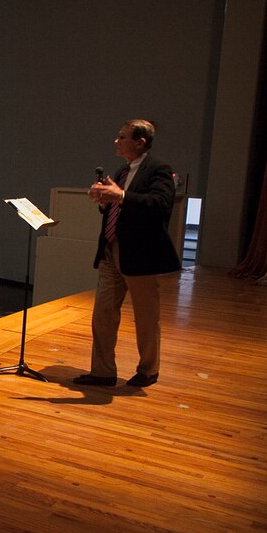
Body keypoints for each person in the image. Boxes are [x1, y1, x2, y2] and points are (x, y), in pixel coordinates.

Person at [75, 119, 180, 388]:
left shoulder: (158, 169)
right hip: (111, 249)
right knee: (103, 314)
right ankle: (103, 372)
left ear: (140, 142)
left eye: (122, 137)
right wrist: (104, 200)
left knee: (146, 317)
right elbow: (118, 206)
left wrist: (120, 196)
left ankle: (148, 370)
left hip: (140, 253)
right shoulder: (122, 171)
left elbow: (160, 203)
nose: (116, 141)